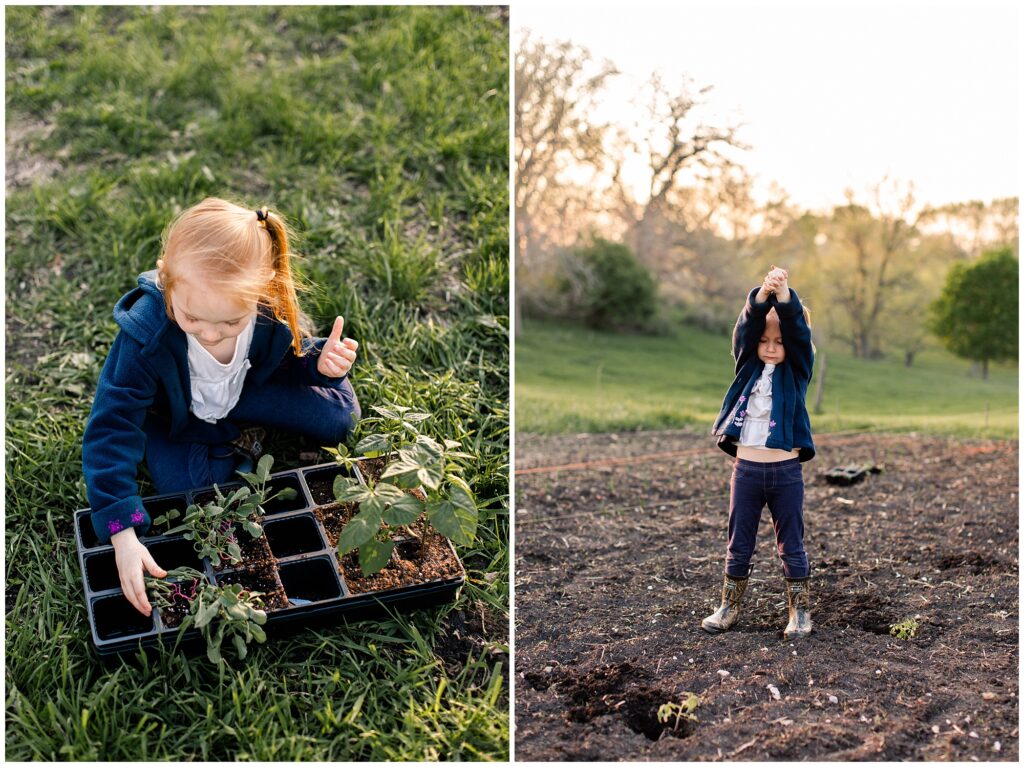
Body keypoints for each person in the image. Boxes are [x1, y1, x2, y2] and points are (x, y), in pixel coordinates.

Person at [82, 197, 361, 617]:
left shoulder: (267, 310)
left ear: (260, 292)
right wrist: (121, 530)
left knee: (339, 419)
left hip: (245, 391)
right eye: (192, 319)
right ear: (166, 280)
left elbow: (287, 359)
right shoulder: (146, 338)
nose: (211, 335)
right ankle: (240, 439)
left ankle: (243, 433)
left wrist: (320, 363)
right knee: (187, 491)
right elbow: (112, 425)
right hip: (178, 418)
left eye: (231, 323)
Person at [702, 266, 815, 639]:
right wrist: (762, 294)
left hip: (785, 474)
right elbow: (745, 330)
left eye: (778, 341)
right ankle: (729, 606)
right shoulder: (747, 367)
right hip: (746, 471)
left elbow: (798, 335)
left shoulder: (796, 371)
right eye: (765, 340)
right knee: (739, 543)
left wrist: (784, 298)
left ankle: (799, 612)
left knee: (791, 545)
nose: (770, 346)